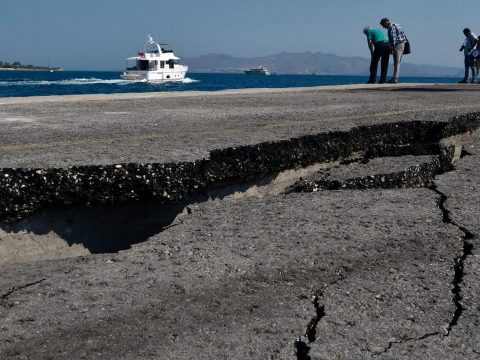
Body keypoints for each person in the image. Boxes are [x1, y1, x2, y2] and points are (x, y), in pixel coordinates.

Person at [380, 18, 407, 83]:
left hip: (397, 45)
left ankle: (394, 79)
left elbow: (393, 38)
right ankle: (395, 78)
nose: (383, 27)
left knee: (396, 63)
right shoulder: (396, 24)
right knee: (398, 62)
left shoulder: (391, 27)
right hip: (402, 44)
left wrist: (391, 48)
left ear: (385, 23)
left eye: (383, 25)